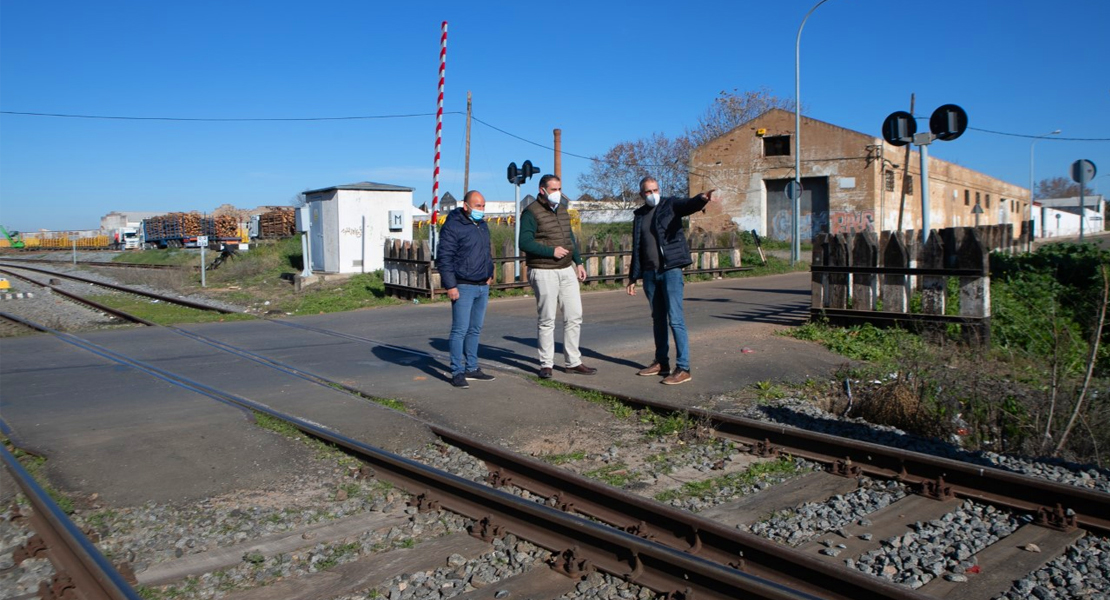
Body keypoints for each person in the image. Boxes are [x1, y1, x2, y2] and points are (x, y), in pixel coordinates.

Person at [626, 176, 717, 385]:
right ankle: (661, 362)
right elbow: (637, 247)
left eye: (655, 190)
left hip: (670, 270)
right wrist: (633, 276)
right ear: (642, 194)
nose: (652, 195)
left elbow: (688, 205)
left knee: (675, 319)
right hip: (650, 273)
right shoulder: (639, 215)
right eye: (648, 192)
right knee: (657, 319)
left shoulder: (670, 205)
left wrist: (702, 198)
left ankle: (683, 367)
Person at [519, 174, 597, 379]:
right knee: (547, 318)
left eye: (559, 188)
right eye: (553, 189)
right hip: (543, 270)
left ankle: (573, 361)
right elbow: (524, 242)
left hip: (565, 269)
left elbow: (570, 238)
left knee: (574, 315)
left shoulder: (562, 211)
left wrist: (578, 262)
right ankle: (546, 363)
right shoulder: (530, 212)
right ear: (542, 190)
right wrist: (550, 251)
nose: (558, 193)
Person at [436, 190, 496, 389]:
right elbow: (444, 258)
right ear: (466, 206)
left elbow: (486, 251)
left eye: (483, 206)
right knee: (459, 330)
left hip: (481, 285)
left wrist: (490, 272)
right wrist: (450, 285)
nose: (481, 209)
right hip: (463, 285)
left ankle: (472, 367)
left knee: (475, 329)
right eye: (478, 205)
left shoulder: (481, 225)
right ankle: (457, 371)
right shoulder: (453, 226)